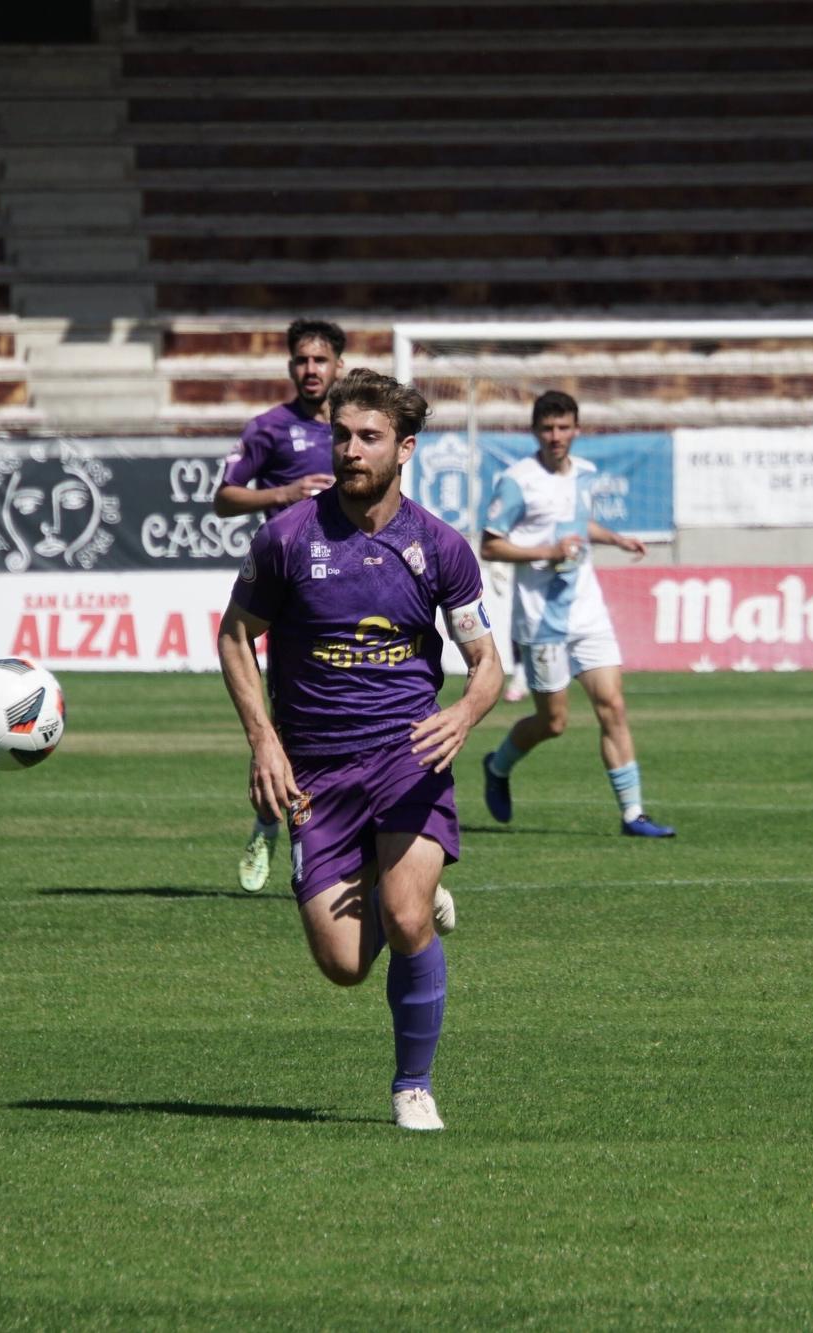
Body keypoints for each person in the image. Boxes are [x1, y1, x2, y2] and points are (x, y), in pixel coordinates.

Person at [216, 368, 501, 1132]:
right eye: (342, 434)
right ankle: (393, 883)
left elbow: (487, 666)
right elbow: (235, 635)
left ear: (404, 447)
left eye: (368, 437)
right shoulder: (286, 538)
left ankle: (414, 1085)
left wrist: (467, 713)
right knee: (344, 966)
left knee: (407, 920)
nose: (350, 449)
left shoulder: (438, 546)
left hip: (409, 755)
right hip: (317, 770)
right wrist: (264, 742)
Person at [478, 391, 674, 838]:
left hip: (587, 611)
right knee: (555, 722)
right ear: (534, 432)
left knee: (614, 706)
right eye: (547, 429)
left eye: (564, 428)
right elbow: (489, 544)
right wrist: (546, 551)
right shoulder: (517, 480)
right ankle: (499, 765)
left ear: (576, 430)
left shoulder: (584, 474)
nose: (556, 437)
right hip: (540, 619)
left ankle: (633, 814)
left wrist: (616, 539)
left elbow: (577, 520)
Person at [215, 318, 345, 893]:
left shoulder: (357, 425)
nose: (310, 370)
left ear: (339, 364)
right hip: (292, 586)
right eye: (301, 361)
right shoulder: (269, 429)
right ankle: (271, 821)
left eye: (320, 360)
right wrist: (283, 494)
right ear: (291, 367)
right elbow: (224, 498)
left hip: (355, 582)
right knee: (287, 720)